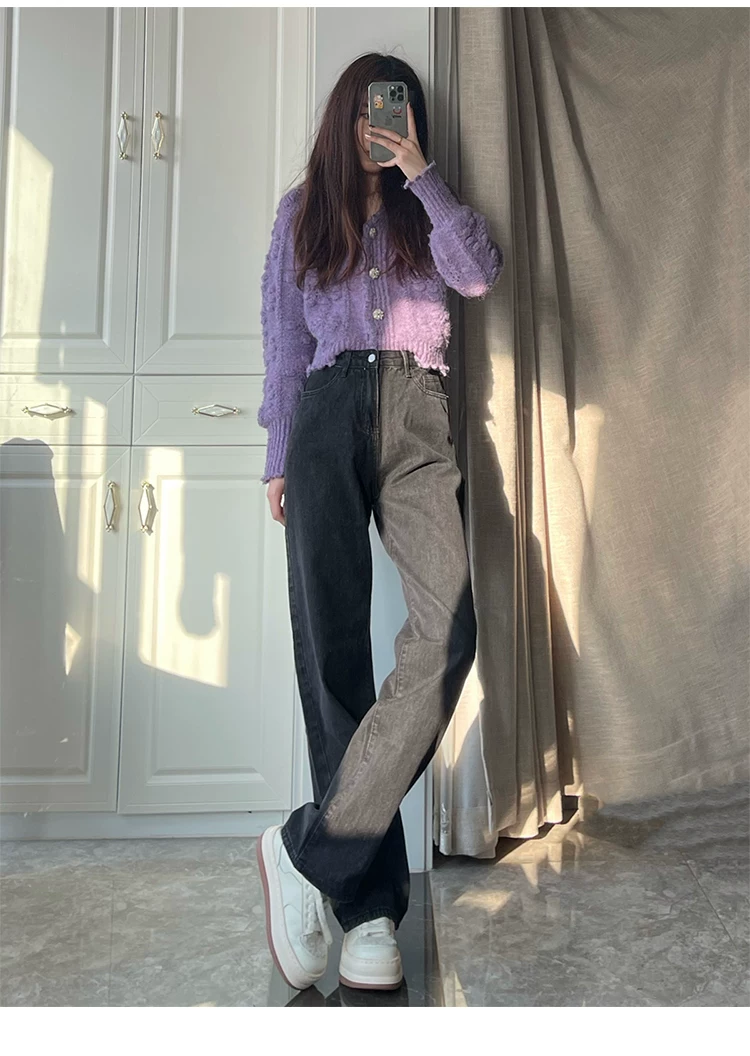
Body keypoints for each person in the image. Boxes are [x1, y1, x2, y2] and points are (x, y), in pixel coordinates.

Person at [255, 53, 504, 993]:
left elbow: (478, 276)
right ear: (342, 116)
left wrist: (421, 175)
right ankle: (367, 912)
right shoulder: (301, 213)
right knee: (332, 655)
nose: (380, 122)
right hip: (323, 415)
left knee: (447, 635)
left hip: (417, 412)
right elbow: (284, 342)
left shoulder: (424, 207)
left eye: (394, 109)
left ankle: (307, 851)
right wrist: (279, 453)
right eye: (367, 108)